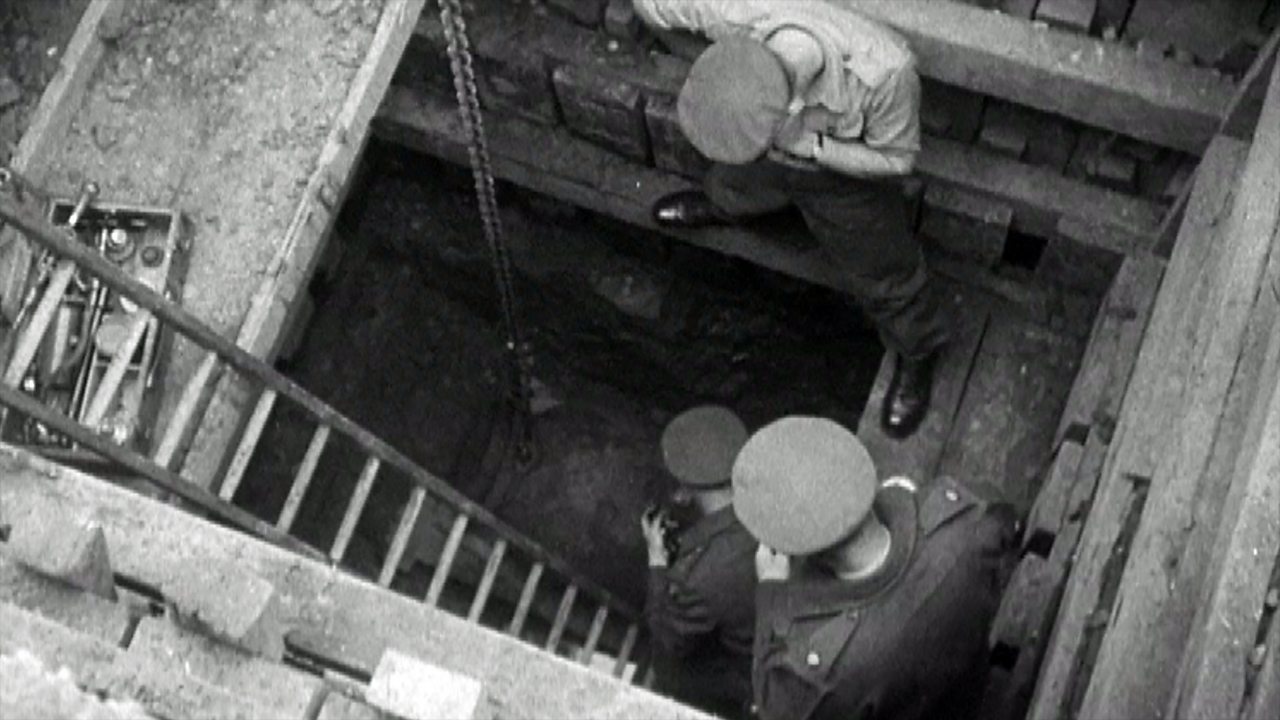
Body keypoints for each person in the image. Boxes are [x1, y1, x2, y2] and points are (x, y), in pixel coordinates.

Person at [632, 0, 951, 438]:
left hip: (842, 172)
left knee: (885, 273)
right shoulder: (737, 13)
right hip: (767, 157)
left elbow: (896, 161)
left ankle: (918, 352)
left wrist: (811, 147)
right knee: (732, 185)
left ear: (793, 103)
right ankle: (725, 207)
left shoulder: (886, 72)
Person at [730, 416, 1018, 720]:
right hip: (964, 692)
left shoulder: (819, 669)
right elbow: (1002, 517)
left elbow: (776, 710)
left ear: (796, 550)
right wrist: (904, 500)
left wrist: (771, 593)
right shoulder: (965, 520)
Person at [642, 405, 758, 718]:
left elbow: (667, 647)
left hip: (754, 672)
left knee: (671, 675)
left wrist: (657, 562)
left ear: (684, 492)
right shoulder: (768, 497)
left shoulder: (699, 578)